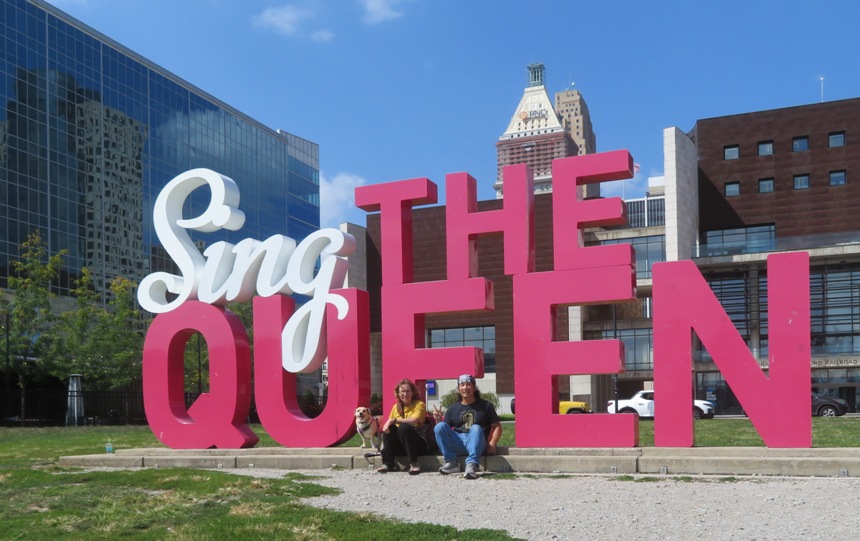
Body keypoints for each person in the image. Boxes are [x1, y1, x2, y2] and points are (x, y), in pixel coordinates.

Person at [432, 374, 502, 479]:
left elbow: (497, 427)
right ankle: (451, 463)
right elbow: (443, 433)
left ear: (474, 388)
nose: (465, 388)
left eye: (468, 385)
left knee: (475, 428)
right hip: (458, 441)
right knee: (439, 426)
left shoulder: (486, 406)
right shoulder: (452, 408)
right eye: (462, 385)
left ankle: (471, 465)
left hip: (477, 442)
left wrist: (492, 443)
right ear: (458, 389)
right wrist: (438, 420)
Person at [378, 378, 435, 475]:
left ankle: (414, 463)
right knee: (390, 429)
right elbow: (388, 425)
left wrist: (394, 420)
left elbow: (414, 421)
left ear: (413, 392)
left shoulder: (419, 404)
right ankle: (388, 463)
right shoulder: (395, 407)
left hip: (418, 444)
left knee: (404, 427)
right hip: (402, 446)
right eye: (402, 392)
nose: (405, 394)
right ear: (398, 394)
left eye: (408, 391)